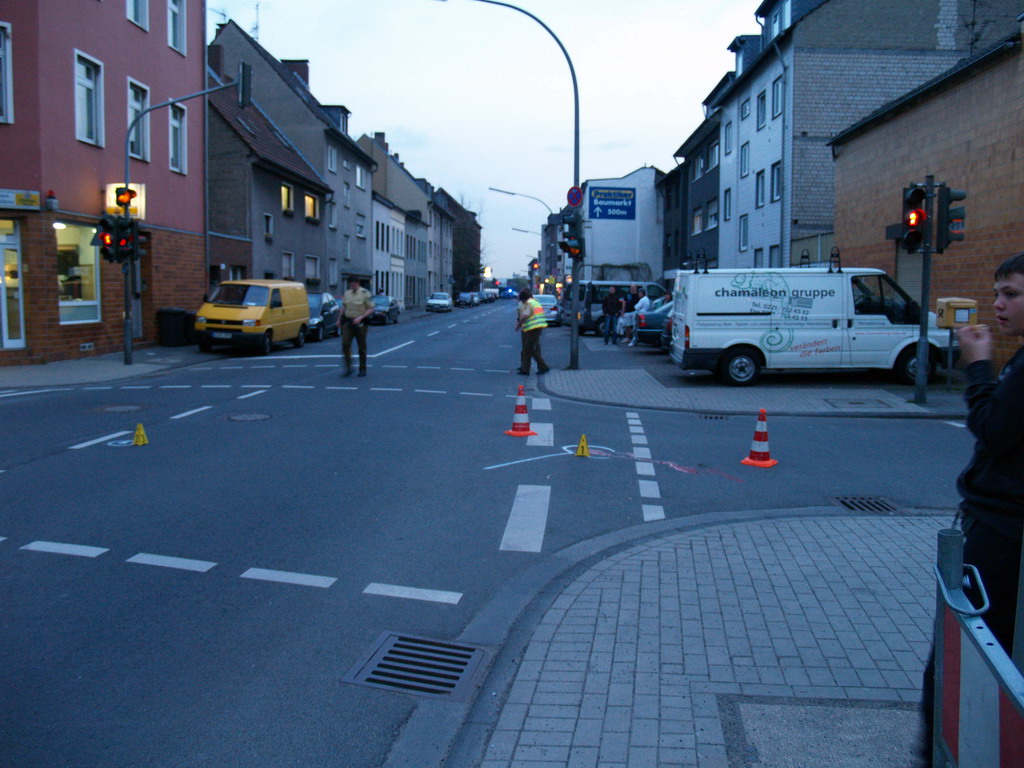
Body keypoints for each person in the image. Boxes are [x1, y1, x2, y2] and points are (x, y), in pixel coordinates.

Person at [919, 251, 1024, 764]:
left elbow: (995, 430)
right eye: (998, 292)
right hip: (1002, 529)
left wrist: (978, 368)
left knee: (964, 657)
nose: (998, 304)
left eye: (1012, 294)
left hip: (1002, 536)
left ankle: (944, 751)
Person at [340, 277, 374, 377]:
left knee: (361, 346)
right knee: (345, 344)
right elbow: (344, 307)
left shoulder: (365, 293)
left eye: (354, 284)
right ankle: (348, 367)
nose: (352, 286)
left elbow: (371, 308)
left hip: (361, 323)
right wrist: (339, 319)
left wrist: (361, 317)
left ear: (358, 283)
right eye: (351, 284)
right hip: (348, 322)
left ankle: (362, 369)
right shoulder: (347, 293)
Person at [514, 288, 550, 375]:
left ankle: (540, 367)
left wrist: (518, 324)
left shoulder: (529, 304)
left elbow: (525, 316)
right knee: (530, 349)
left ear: (523, 299)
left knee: (528, 349)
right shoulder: (535, 302)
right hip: (536, 328)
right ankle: (528, 368)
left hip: (532, 329)